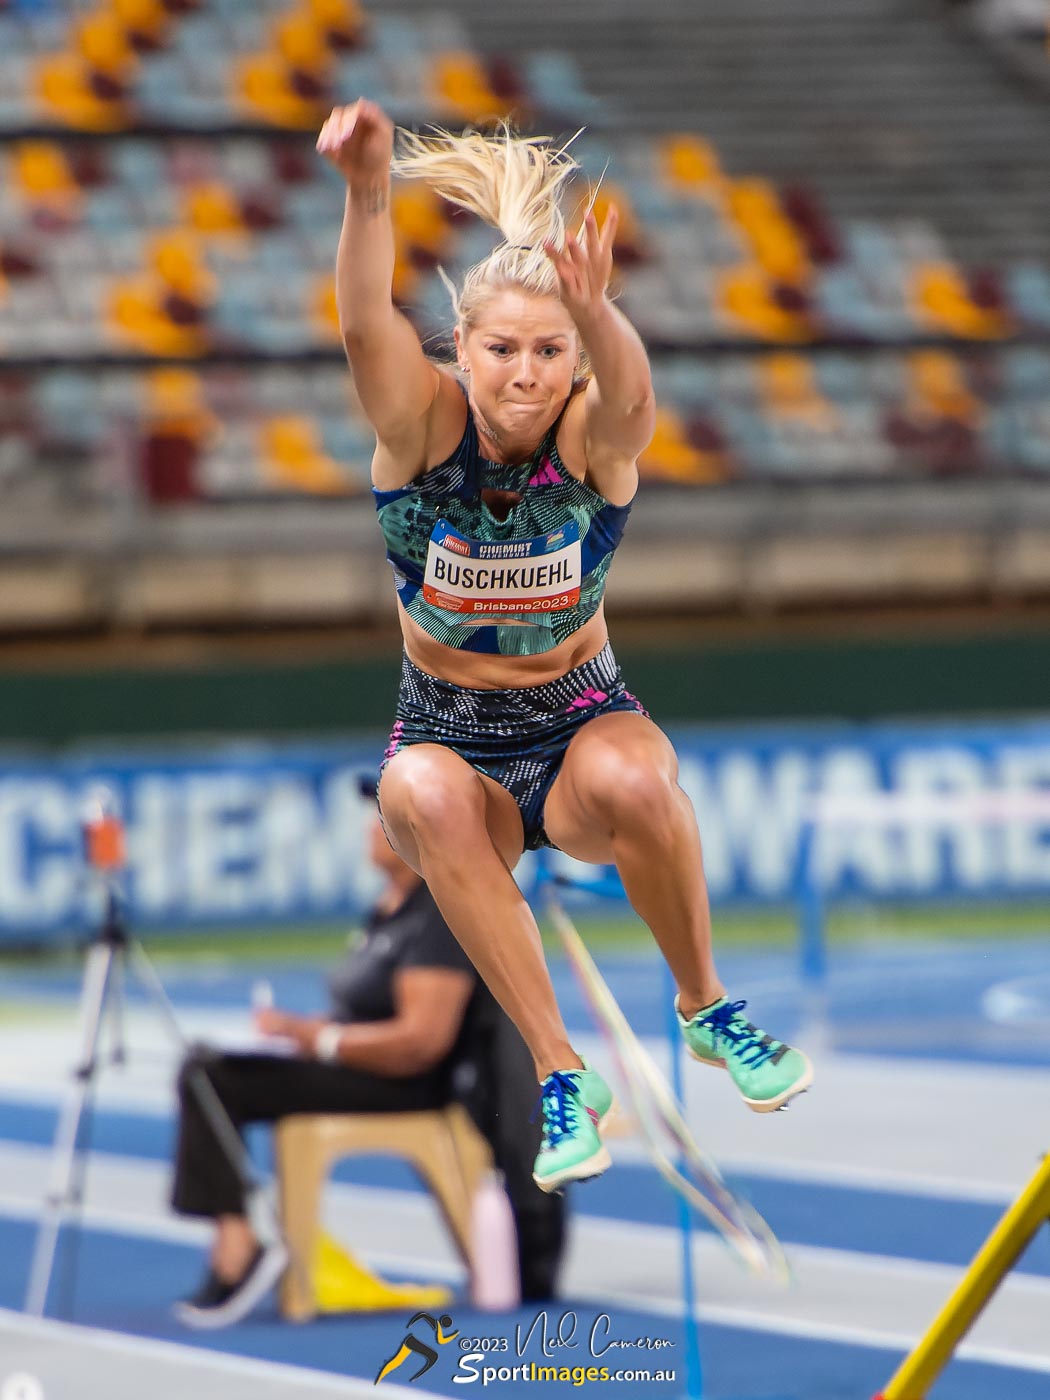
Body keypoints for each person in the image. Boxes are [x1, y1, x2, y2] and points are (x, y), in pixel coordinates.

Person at [316, 100, 813, 1195]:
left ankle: (705, 1004)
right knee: (420, 793)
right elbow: (361, 330)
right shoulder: (422, 431)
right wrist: (365, 192)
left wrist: (600, 316)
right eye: (504, 349)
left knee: (642, 773)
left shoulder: (592, 439)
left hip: (577, 713)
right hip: (450, 733)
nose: (529, 373)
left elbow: (633, 402)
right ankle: (562, 1072)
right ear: (465, 350)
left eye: (551, 351)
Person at [170, 779, 565, 1328]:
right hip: (360, 1064)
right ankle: (235, 1234)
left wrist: (324, 1042)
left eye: (384, 817)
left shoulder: (439, 911)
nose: (369, 828)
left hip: (409, 1083)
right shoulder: (390, 908)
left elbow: (420, 1042)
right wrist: (298, 1031)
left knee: (211, 1077)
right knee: (207, 1065)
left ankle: (237, 1246)